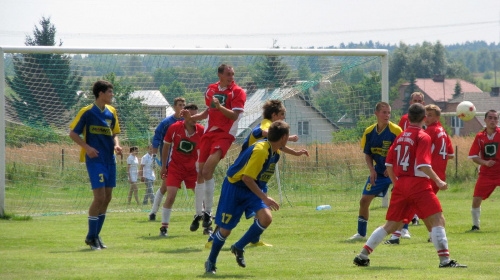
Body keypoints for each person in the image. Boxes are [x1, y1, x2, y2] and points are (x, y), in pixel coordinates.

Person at [353, 103, 467, 268]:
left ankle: (362, 255)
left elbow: (389, 163)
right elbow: (422, 165)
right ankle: (445, 261)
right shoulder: (423, 136)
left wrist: (397, 183)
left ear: (409, 117)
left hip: (401, 183)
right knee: (438, 220)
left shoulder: (401, 136)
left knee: (391, 225)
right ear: (424, 118)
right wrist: (438, 181)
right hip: (418, 184)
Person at [205, 100, 309, 248]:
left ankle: (254, 240)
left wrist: (295, 153)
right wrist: (289, 137)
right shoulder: (267, 124)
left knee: (261, 211)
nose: (283, 118)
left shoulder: (273, 137)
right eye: (281, 115)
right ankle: (213, 240)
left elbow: (278, 144)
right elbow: (266, 133)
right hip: (243, 176)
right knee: (230, 214)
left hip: (259, 176)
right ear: (274, 115)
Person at [204, 120, 288, 274]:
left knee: (266, 218)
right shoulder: (262, 150)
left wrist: (263, 195)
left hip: (250, 189)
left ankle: (239, 246)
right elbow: (246, 178)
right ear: (283, 137)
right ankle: (211, 261)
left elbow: (255, 178)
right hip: (235, 188)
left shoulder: (274, 151)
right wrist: (264, 198)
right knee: (225, 230)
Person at [185, 64, 246, 235]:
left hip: (225, 134)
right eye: (228, 74)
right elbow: (208, 112)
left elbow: (234, 115)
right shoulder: (211, 89)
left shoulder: (237, 91)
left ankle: (208, 213)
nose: (231, 77)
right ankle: (198, 214)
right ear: (219, 75)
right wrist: (192, 118)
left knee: (207, 170)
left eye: (233, 74)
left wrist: (220, 107)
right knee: (200, 173)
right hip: (209, 133)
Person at [385, 104, 455, 244]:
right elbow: (451, 155)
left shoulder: (428, 132)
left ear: (437, 117)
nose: (427, 118)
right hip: (436, 173)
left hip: (426, 174)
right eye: (426, 115)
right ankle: (431, 237)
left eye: (430, 115)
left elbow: (419, 158)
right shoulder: (443, 131)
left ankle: (396, 236)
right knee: (423, 208)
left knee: (414, 207)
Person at [69, 80, 122, 250]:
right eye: (110, 92)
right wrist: (87, 147)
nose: (112, 95)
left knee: (107, 198)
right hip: (95, 160)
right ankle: (91, 237)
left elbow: (114, 133)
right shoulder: (87, 112)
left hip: (110, 159)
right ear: (101, 93)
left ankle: (95, 237)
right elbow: (73, 133)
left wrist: (117, 144)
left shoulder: (112, 112)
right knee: (99, 197)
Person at [348, 102, 402, 241]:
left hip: (396, 172)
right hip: (378, 172)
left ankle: (403, 231)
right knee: (364, 200)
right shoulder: (369, 132)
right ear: (376, 113)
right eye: (384, 112)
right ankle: (361, 233)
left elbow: (402, 152)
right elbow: (368, 154)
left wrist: (392, 167)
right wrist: (372, 169)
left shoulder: (396, 131)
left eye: (389, 112)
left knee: (402, 201)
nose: (387, 115)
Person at [157, 104, 204, 236]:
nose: (195, 118)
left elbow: (204, 150)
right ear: (184, 115)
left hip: (192, 169)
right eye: (192, 115)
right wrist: (163, 166)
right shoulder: (175, 127)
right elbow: (166, 146)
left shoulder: (201, 131)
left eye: (196, 115)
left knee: (201, 196)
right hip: (175, 167)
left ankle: (207, 224)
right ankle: (164, 228)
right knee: (171, 196)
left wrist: (202, 168)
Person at [148, 97, 186, 221]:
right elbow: (157, 138)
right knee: (165, 187)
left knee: (197, 184)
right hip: (171, 162)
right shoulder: (167, 122)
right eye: (179, 105)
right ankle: (153, 212)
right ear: (174, 107)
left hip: (186, 161)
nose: (182, 107)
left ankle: (203, 213)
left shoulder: (188, 122)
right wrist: (154, 156)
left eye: (183, 105)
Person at [468, 110, 500, 231]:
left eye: (495, 118)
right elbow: (473, 156)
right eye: (490, 118)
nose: (493, 120)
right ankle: (476, 225)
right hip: (486, 173)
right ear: (485, 120)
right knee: (476, 198)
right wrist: (485, 162)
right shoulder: (480, 136)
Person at [398, 91, 425, 228]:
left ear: (423, 103)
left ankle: (415, 216)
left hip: (421, 159)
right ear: (410, 103)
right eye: (415, 100)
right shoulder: (404, 119)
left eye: (419, 101)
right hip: (408, 159)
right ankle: (410, 219)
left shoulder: (426, 120)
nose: (417, 103)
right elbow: (400, 138)